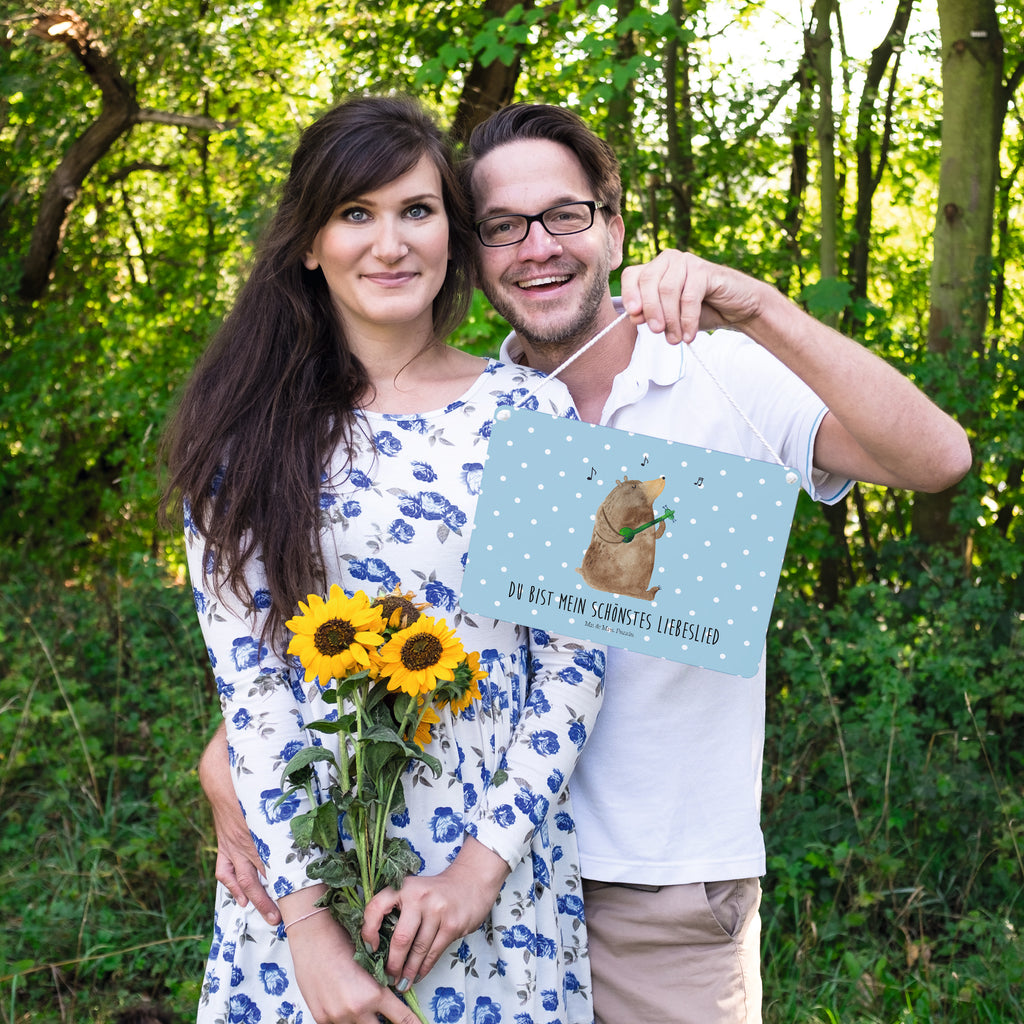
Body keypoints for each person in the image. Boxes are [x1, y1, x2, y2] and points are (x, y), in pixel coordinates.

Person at [201, 102, 972, 1024]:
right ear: (475, 250)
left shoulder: (696, 376)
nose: (537, 247)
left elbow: (938, 461)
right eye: (502, 227)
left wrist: (759, 306)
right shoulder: (452, 416)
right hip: (423, 875)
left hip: (649, 886)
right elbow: (339, 633)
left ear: (612, 225)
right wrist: (234, 769)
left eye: (564, 215)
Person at [163, 96, 609, 1024]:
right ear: (308, 244)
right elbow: (253, 691)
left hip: (492, 885)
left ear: (452, 230)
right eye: (355, 214)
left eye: (417, 210)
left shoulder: (533, 416)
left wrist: (478, 873)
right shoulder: (243, 439)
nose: (391, 243)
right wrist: (311, 937)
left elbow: (573, 663)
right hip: (303, 883)